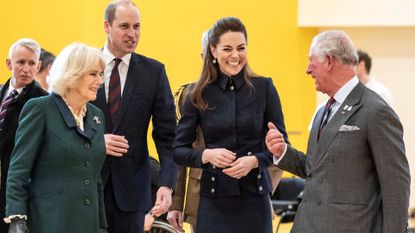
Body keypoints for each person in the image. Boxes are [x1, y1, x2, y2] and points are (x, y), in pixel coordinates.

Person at [266, 30, 410, 233]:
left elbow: (396, 183)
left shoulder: (376, 111)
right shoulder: (321, 112)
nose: (307, 69)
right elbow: (313, 169)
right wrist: (283, 152)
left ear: (329, 61)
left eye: (311, 61)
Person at [173, 17, 289, 233]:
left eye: (241, 48)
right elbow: (179, 151)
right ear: (213, 51)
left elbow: (282, 149)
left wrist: (254, 160)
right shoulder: (195, 94)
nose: (235, 56)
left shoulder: (265, 88)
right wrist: (207, 156)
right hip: (213, 203)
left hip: (256, 200)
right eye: (227, 49)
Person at [92, 1, 177, 232]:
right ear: (107, 26)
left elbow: (168, 135)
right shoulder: (85, 66)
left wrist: (167, 184)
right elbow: (65, 127)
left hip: (133, 194)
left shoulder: (154, 72)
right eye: (124, 26)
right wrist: (96, 143)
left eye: (137, 26)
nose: (132, 34)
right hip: (87, 187)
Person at [5, 43, 107, 233]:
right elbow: (19, 169)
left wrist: (101, 224)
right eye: (93, 74)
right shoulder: (40, 109)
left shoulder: (96, 116)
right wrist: (17, 218)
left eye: (101, 74)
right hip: (48, 221)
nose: (100, 81)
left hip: (87, 224)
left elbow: (94, 177)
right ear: (73, 74)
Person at [0, 38, 48, 233]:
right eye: (21, 62)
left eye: (32, 63)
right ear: (9, 63)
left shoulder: (44, 101)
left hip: (17, 192)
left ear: (38, 66)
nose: (26, 69)